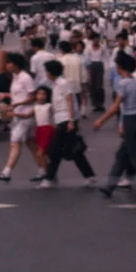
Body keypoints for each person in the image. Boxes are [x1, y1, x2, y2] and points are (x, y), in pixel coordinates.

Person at [95, 52, 136, 201]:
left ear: (120, 67)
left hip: (131, 121)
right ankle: (109, 187)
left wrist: (101, 120)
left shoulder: (124, 84)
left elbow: (116, 107)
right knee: (122, 155)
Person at [40, 60, 97, 188]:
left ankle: (49, 178)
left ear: (51, 72)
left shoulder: (63, 83)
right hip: (61, 119)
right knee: (74, 151)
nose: (46, 74)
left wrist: (71, 120)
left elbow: (70, 101)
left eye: (47, 71)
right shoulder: (54, 85)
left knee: (54, 150)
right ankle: (89, 175)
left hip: (66, 120)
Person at [0, 53, 46, 183]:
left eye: (9, 62)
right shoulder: (15, 77)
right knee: (31, 143)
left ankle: (6, 172)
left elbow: (33, 96)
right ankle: (45, 170)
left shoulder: (25, 78)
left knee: (15, 142)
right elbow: (18, 94)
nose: (6, 65)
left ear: (15, 64)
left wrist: (17, 104)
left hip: (26, 115)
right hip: (17, 115)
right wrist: (5, 95)